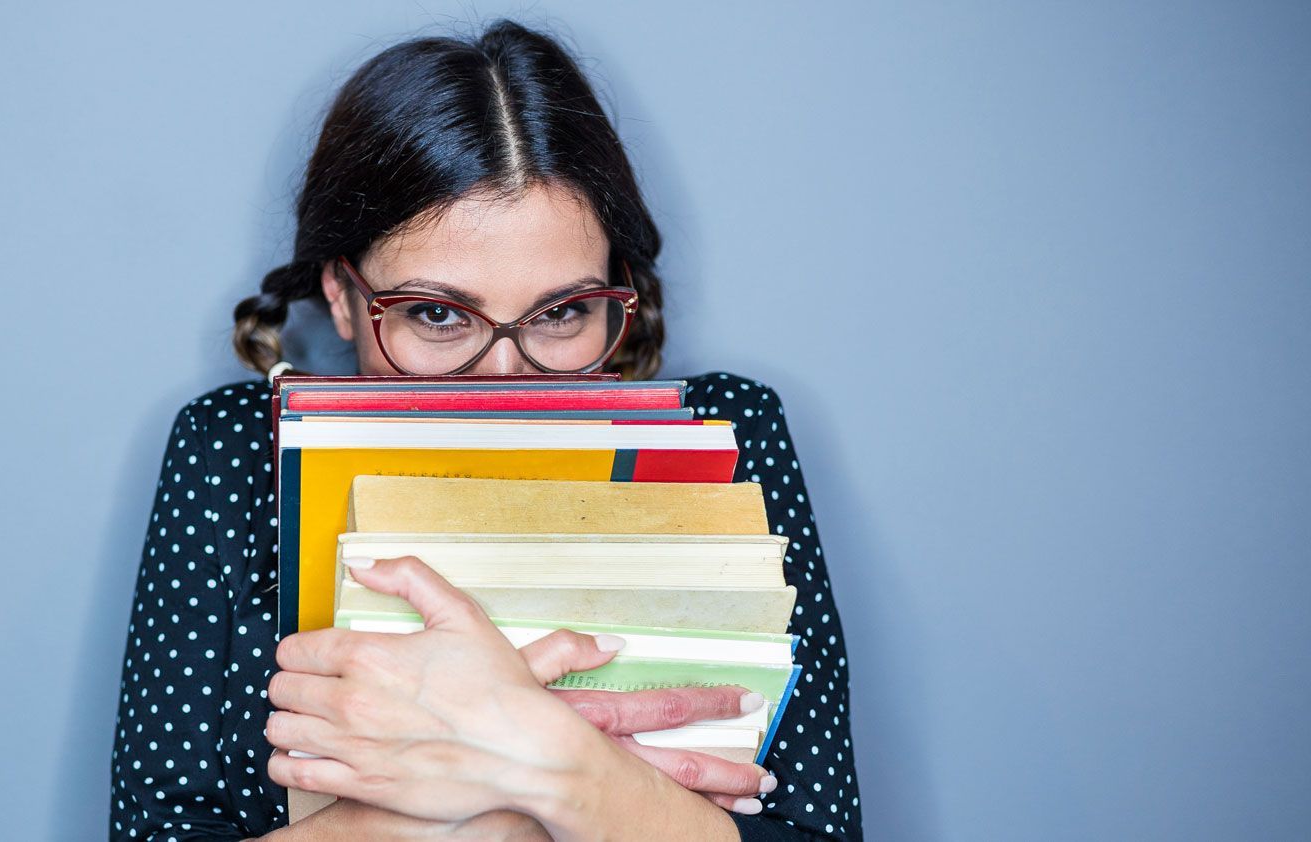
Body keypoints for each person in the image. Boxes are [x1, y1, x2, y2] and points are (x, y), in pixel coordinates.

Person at [109, 19, 861, 841]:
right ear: (340, 293)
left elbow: (817, 826)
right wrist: (498, 806)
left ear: (620, 290)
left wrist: (551, 765)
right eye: (436, 314)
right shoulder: (232, 451)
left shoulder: (729, 433)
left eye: (564, 312)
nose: (505, 376)